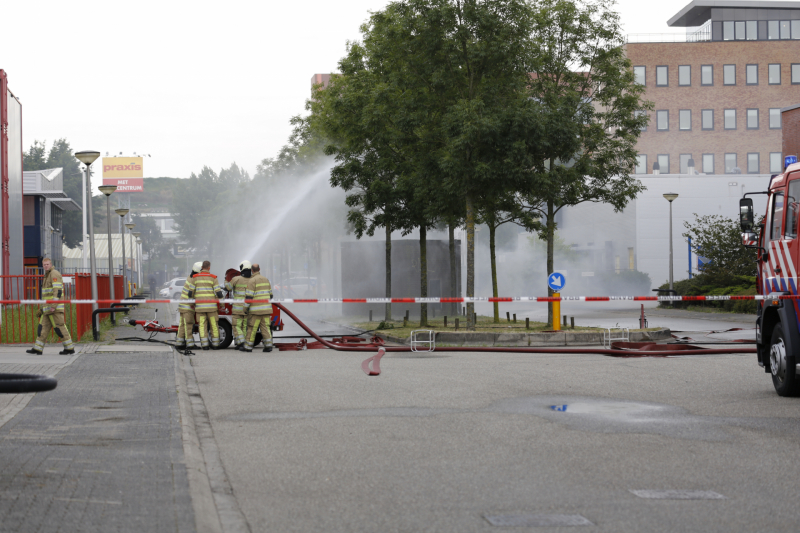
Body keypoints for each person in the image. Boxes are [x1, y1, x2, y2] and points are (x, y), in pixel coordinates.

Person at [27, 258, 74, 355]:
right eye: (44, 264)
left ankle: (69, 348)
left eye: (47, 264)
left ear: (51, 264)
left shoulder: (54, 274)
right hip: (48, 309)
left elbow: (57, 291)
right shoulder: (47, 275)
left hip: (54, 309)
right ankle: (38, 348)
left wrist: (53, 305)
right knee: (42, 328)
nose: (46, 266)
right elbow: (47, 294)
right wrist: (42, 308)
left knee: (60, 328)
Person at [243, 263, 274, 353]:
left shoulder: (252, 281)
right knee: (265, 328)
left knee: (252, 328)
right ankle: (268, 346)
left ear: (252, 270)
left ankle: (248, 347)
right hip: (266, 310)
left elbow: (249, 297)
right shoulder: (266, 279)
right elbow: (271, 295)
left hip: (256, 311)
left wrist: (245, 309)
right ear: (259, 269)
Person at [193, 260, 224, 350]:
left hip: (200, 307)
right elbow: (218, 293)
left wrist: (193, 302)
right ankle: (215, 345)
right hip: (211, 307)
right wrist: (222, 304)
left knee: (202, 326)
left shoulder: (195, 277)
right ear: (209, 267)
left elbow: (190, 292)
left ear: (202, 267)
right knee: (214, 325)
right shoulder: (213, 277)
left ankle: (205, 345)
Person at [225, 260, 252, 350]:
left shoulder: (236, 279)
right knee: (244, 326)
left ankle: (240, 342)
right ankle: (243, 342)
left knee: (236, 325)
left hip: (237, 308)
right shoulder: (253, 280)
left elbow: (228, 288)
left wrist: (226, 281)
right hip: (248, 307)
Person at [176, 262, 202, 352]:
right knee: (189, 325)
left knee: (182, 325)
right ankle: (190, 345)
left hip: (182, 305)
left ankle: (179, 343)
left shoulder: (189, 277)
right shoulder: (194, 280)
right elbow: (192, 293)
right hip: (188, 306)